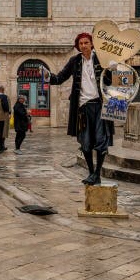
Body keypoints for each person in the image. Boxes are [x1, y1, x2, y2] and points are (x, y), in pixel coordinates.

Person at [47, 32, 113, 185]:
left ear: (91, 44)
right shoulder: (75, 61)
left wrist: (113, 68)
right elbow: (60, 78)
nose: (83, 45)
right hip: (82, 107)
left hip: (100, 105)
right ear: (78, 46)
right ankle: (91, 173)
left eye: (86, 42)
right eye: (80, 43)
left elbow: (113, 82)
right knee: (85, 142)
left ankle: (97, 174)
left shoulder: (102, 59)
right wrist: (47, 76)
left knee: (101, 140)